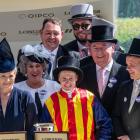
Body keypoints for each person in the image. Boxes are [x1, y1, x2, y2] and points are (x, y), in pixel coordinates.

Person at [41, 56, 112, 140]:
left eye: (71, 78)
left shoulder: (89, 97)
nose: (67, 82)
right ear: (58, 79)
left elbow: (105, 123)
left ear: (76, 78)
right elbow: (44, 128)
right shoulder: (51, 101)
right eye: (64, 78)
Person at [79, 24, 130, 116]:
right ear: (90, 50)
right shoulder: (82, 73)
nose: (99, 52)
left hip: (117, 129)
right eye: (95, 47)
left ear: (113, 48)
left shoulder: (125, 73)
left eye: (104, 46)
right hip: (89, 127)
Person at [0, 38, 37, 140]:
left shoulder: (25, 98)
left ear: (15, 74)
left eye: (11, 76)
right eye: (3, 76)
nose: (7, 80)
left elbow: (33, 129)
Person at [16, 17, 72, 82]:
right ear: (41, 33)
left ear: (61, 35)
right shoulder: (27, 53)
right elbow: (20, 80)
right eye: (48, 33)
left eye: (56, 33)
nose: (52, 37)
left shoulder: (69, 55)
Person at [14, 44, 60, 120]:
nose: (35, 70)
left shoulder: (56, 87)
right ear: (25, 69)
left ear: (43, 68)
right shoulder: (16, 89)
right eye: (31, 66)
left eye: (38, 66)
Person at [112, 38, 140, 140]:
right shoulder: (124, 86)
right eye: (127, 65)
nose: (127, 69)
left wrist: (131, 137)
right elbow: (116, 115)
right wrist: (121, 135)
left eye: (132, 65)